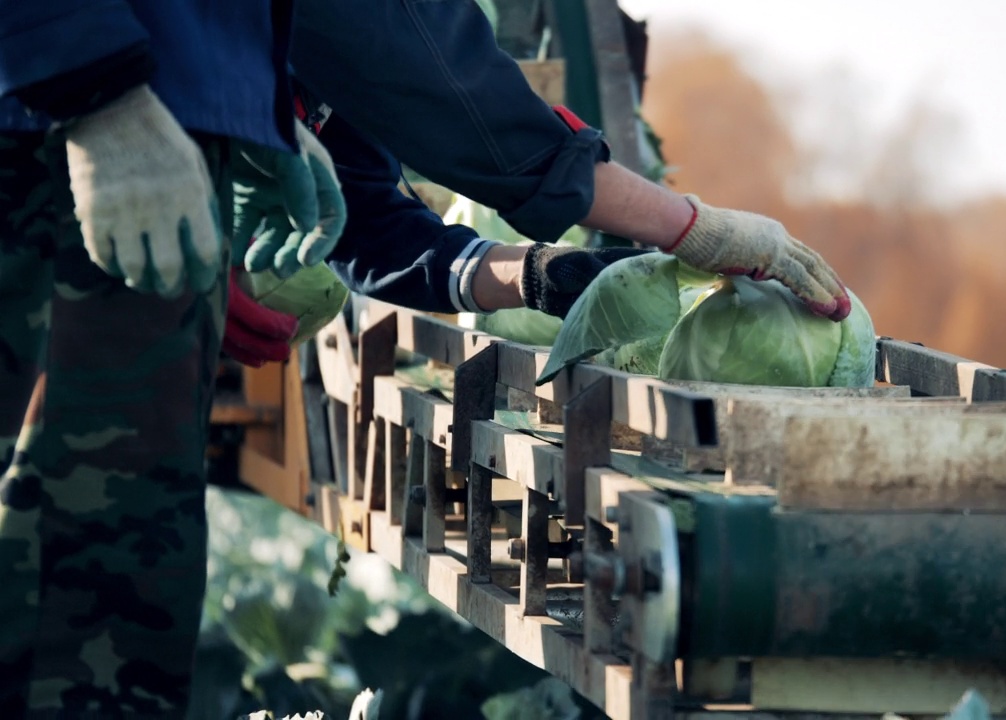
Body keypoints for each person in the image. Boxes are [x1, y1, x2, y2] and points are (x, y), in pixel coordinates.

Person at [0, 1, 346, 715]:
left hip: (128, 104)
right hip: (51, 120)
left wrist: (245, 98)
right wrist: (96, 90)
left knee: (108, 601)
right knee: (80, 623)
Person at [222, 0, 852, 367]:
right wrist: (693, 227)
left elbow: (368, 231)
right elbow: (462, 106)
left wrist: (535, 274)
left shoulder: (325, 88)